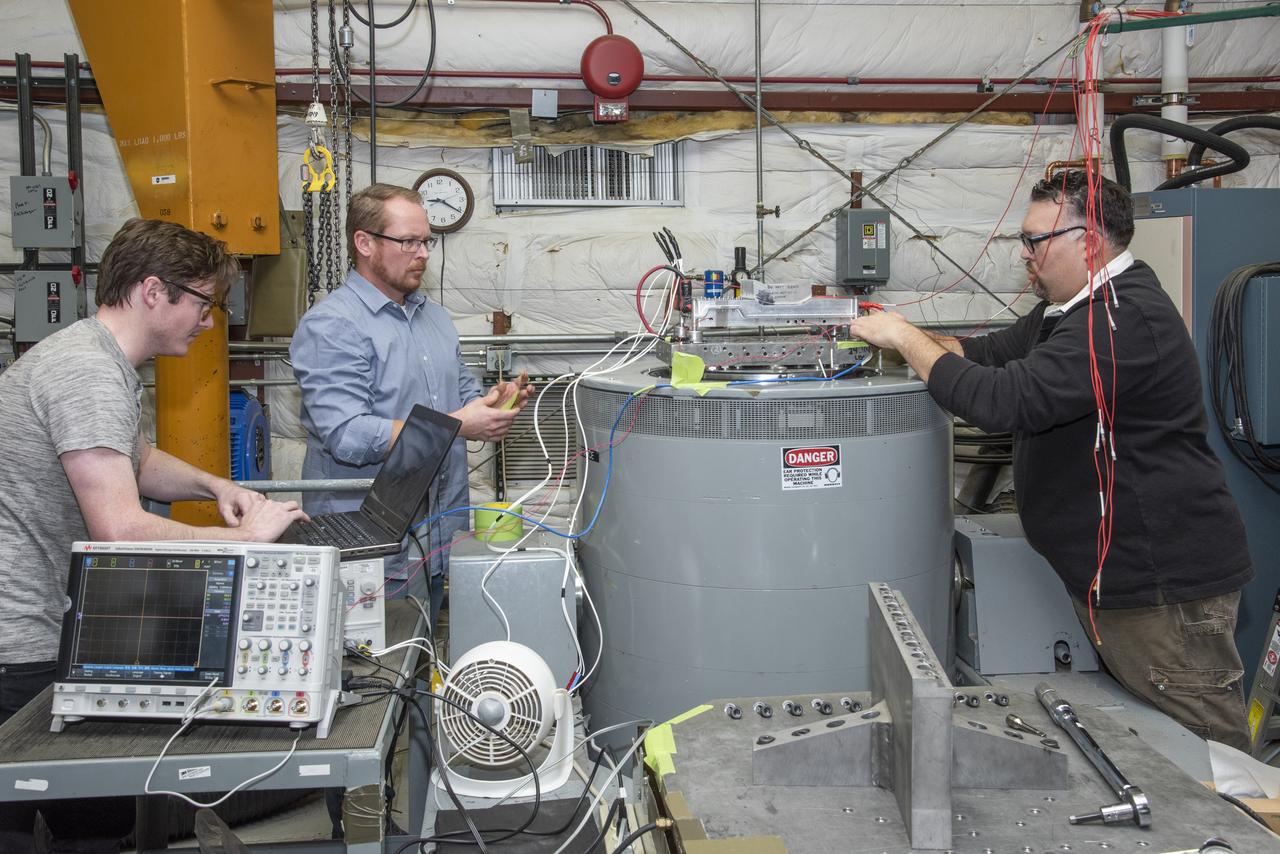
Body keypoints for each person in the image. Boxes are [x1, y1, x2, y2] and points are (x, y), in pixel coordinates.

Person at [849, 171, 1253, 748]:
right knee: (1157, 749)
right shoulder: (1066, 312)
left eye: (1035, 240)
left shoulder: (1122, 319)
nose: (1025, 255)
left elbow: (1001, 400)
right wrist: (893, 337)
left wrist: (906, 336)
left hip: (1161, 590)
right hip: (1113, 581)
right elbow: (980, 356)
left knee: (1205, 758)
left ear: (1087, 241)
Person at [0, 218, 308, 852]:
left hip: (39, 618)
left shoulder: (94, 357)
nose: (208, 320)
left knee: (91, 813)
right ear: (152, 291)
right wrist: (247, 542)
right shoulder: (85, 372)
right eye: (202, 302)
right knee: (78, 817)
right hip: (21, 636)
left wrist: (215, 487)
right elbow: (117, 528)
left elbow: (135, 459)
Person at [290, 183, 529, 626]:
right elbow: (347, 436)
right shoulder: (332, 325)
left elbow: (460, 394)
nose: (422, 253)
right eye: (408, 242)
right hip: (368, 547)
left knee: (421, 667)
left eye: (426, 241)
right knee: (373, 679)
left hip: (437, 533)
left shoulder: (435, 319)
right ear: (364, 243)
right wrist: (458, 424)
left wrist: (490, 404)